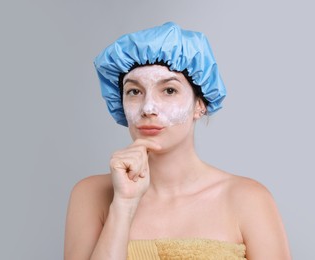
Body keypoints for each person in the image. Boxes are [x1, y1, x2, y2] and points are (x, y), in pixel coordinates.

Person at [64, 22, 291, 260]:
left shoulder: (249, 199)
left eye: (169, 91)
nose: (148, 108)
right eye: (134, 91)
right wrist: (124, 204)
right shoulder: (91, 195)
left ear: (200, 105)